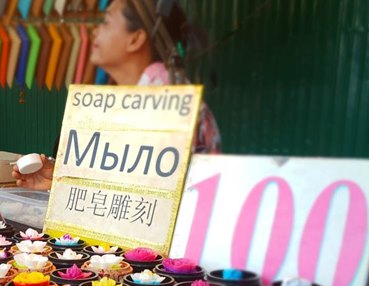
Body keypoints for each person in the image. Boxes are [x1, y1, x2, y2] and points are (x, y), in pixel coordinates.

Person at [13, 0, 221, 190]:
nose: (95, 31)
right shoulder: (120, 101)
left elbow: (161, 198)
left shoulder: (167, 102)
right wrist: (58, 180)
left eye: (106, 22)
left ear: (135, 39)